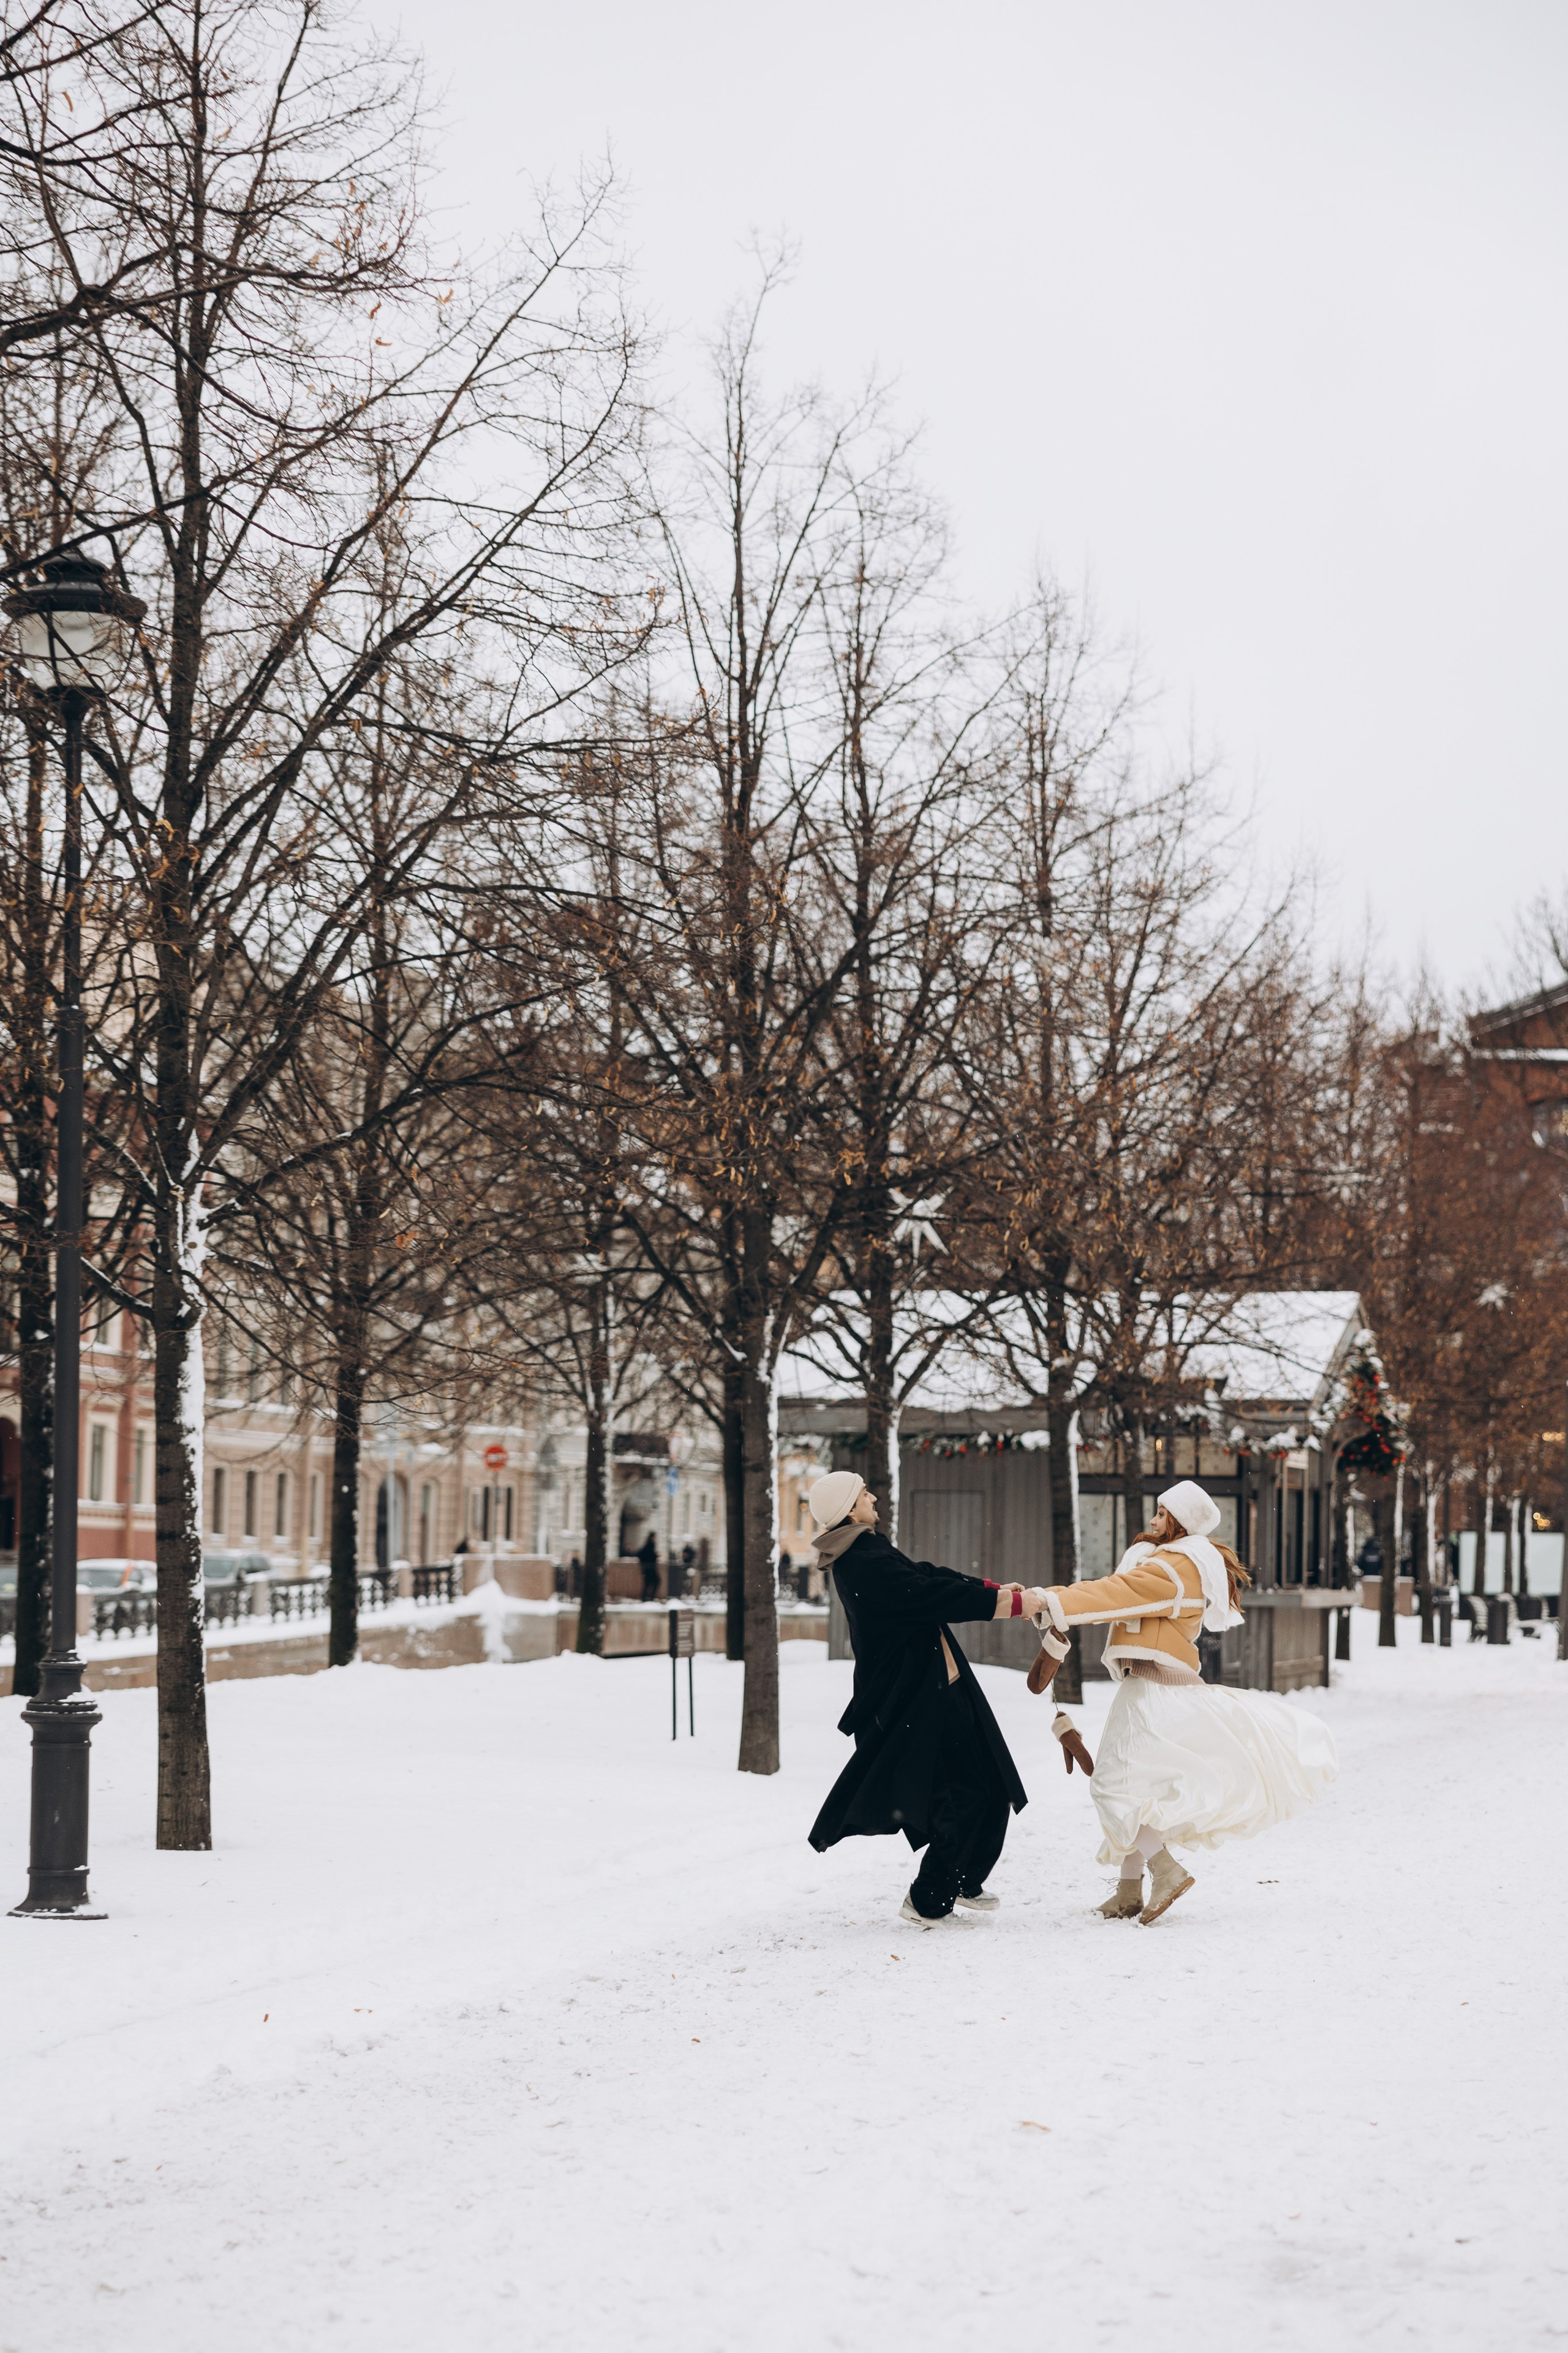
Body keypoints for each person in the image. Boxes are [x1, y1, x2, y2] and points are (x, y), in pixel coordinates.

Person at [1032, 1479, 1338, 1925]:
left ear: (1179, 1522)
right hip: (1152, 1683)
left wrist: (1049, 1599)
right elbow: (1117, 1591)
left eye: (1161, 1514)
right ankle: (1128, 1891)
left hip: (1153, 1689)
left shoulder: (1174, 1567)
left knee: (1114, 1786)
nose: (1152, 1521)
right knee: (1137, 1787)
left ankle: (1166, 1871)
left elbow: (1114, 1594)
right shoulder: (1170, 1562)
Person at [807, 1470, 1082, 1926]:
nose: (874, 1497)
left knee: (991, 1780)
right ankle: (929, 1896)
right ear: (850, 1508)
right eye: (864, 1493)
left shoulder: (866, 1551)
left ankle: (964, 1878)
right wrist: (1009, 1605)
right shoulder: (861, 1559)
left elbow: (928, 1576)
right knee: (961, 1793)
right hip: (917, 1698)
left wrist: (994, 1591)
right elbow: (930, 1593)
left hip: (938, 1687)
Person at [638, 1532, 660, 1603]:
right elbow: (647, 1555)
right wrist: (656, 1556)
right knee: (655, 1582)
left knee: (648, 1583)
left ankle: (646, 1597)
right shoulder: (650, 1546)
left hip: (649, 1568)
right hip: (650, 1568)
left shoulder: (650, 1545)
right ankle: (649, 1597)